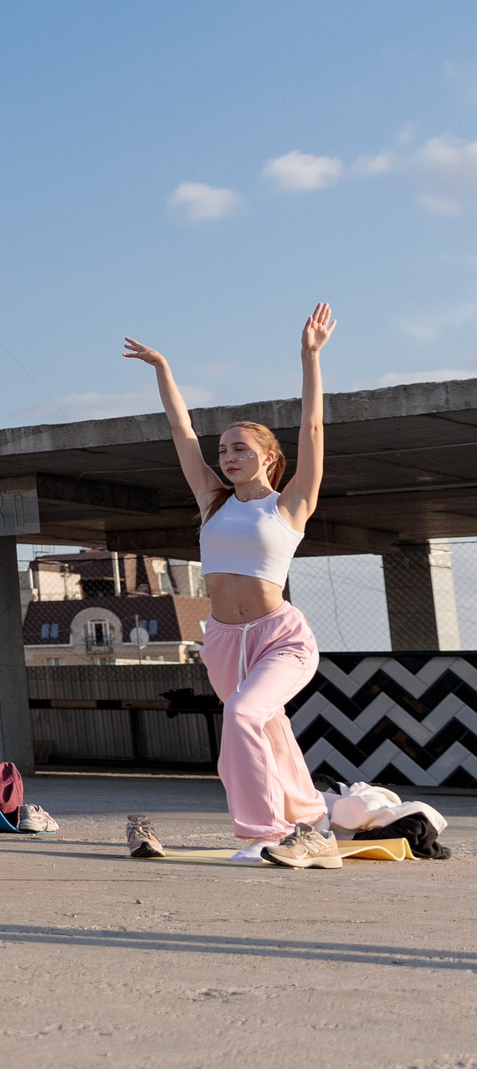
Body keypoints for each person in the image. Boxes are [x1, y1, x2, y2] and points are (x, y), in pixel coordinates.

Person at [127, 307, 340, 868]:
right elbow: (181, 430)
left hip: (280, 638)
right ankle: (313, 819)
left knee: (244, 718)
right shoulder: (212, 502)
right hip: (223, 640)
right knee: (265, 728)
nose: (226, 456)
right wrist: (163, 369)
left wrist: (310, 357)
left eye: (240, 448)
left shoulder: (289, 504)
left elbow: (313, 429)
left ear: (269, 457)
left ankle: (264, 832)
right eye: (223, 450)